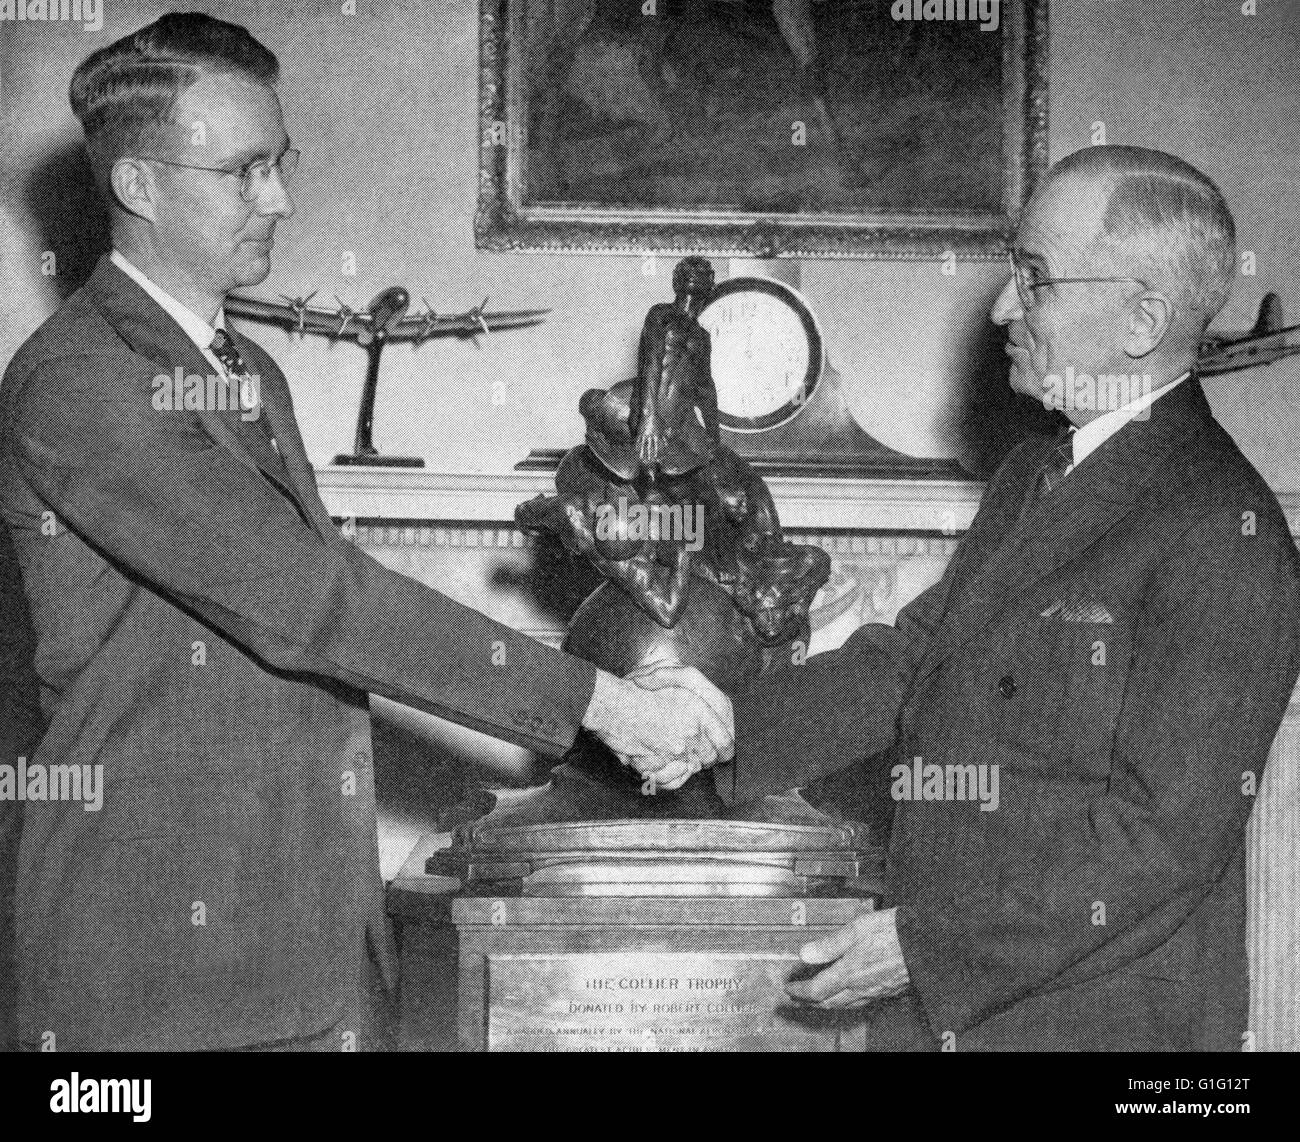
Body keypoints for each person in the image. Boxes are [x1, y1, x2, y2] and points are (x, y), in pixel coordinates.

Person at [0, 12, 731, 1051]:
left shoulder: (247, 372)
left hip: (300, 940)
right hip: (158, 960)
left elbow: (323, 604)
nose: (282, 200)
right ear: (139, 185)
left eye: (280, 162)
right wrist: (600, 702)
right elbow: (311, 602)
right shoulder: (85, 381)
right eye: (245, 171)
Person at [650, 145, 1300, 1050]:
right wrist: (720, 726)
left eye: (1034, 279)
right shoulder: (1038, 472)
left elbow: (1165, 840)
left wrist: (927, 947)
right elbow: (916, 656)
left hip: (1094, 1028)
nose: (1001, 306)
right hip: (964, 1007)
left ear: (1141, 320)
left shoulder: (1224, 528)